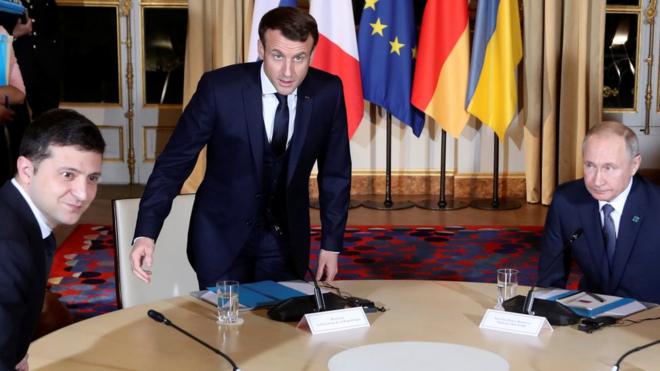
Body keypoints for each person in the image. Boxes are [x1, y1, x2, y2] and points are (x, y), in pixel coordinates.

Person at [130, 7, 351, 289]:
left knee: (279, 329)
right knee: (225, 328)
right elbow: (174, 164)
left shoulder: (327, 92)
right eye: (277, 56)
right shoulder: (219, 88)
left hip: (284, 243)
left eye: (299, 58)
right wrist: (146, 233)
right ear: (261, 48)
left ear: (312, 54)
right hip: (220, 240)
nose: (287, 71)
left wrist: (331, 245)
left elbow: (335, 173)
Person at [0, 109, 104, 370]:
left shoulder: (20, 217)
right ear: (26, 170)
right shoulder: (8, 245)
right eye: (67, 174)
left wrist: (17, 352)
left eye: (92, 178)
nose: (83, 193)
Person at [538, 121, 660, 304]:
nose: (597, 180)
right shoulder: (567, 201)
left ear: (634, 165)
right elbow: (549, 279)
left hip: (649, 319)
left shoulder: (655, 205)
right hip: (591, 314)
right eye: (590, 165)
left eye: (609, 168)